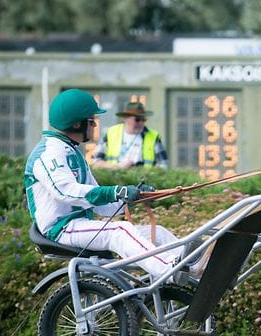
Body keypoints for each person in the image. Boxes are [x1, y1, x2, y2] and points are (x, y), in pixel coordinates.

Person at [25, 89, 198, 279]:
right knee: (120, 231)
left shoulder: (72, 152)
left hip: (79, 224)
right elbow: (66, 192)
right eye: (92, 121)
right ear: (77, 124)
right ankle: (170, 270)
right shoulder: (49, 153)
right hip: (61, 229)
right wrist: (117, 191)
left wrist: (134, 197)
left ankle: (195, 266)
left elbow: (101, 205)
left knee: (157, 234)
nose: (95, 125)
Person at [93, 101, 169, 169]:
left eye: (144, 120)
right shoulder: (111, 133)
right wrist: (116, 167)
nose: (141, 123)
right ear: (125, 118)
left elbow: (163, 165)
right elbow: (96, 163)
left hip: (143, 181)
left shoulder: (153, 136)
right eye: (137, 120)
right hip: (115, 180)